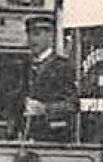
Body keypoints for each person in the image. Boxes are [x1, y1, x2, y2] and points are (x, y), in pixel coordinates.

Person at [21, 14, 78, 142]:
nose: (32, 40)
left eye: (37, 34)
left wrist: (45, 108)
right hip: (27, 138)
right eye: (29, 34)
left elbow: (72, 105)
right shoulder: (25, 66)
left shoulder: (61, 67)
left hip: (54, 138)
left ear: (50, 36)